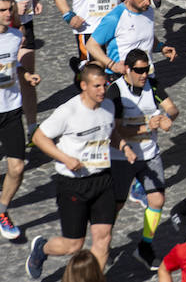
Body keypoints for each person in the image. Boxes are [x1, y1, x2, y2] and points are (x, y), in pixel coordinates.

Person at [27, 64, 137, 278]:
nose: (102, 91)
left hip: (102, 179)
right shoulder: (68, 111)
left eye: (104, 85)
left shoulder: (108, 106)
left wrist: (124, 147)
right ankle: (42, 248)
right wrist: (65, 158)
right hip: (73, 184)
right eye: (97, 86)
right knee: (73, 245)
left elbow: (110, 132)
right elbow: (39, 137)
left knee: (103, 238)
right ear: (84, 85)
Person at [108, 48, 179, 270]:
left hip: (149, 154)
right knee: (116, 205)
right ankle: (104, 244)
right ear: (127, 70)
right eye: (139, 70)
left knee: (157, 200)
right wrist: (147, 126)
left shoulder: (152, 85)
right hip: (122, 157)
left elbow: (172, 108)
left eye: (146, 69)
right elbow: (115, 130)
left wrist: (167, 118)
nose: (144, 74)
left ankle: (145, 247)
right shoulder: (115, 91)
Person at [0, 0, 36, 240]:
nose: (7, 14)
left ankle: (2, 210)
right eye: (2, 10)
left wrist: (26, 75)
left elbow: (15, 64)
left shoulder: (15, 36)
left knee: (17, 167)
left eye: (9, 9)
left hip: (11, 110)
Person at [85, 0, 177, 75]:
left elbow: (145, 35)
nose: (148, 2)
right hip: (122, 77)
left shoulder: (149, 11)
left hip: (146, 76)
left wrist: (161, 48)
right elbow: (91, 45)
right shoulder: (115, 18)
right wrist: (112, 65)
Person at [0, 0, 40, 138]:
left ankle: (32, 127)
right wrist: (14, 8)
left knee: (27, 77)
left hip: (25, 24)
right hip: (5, 26)